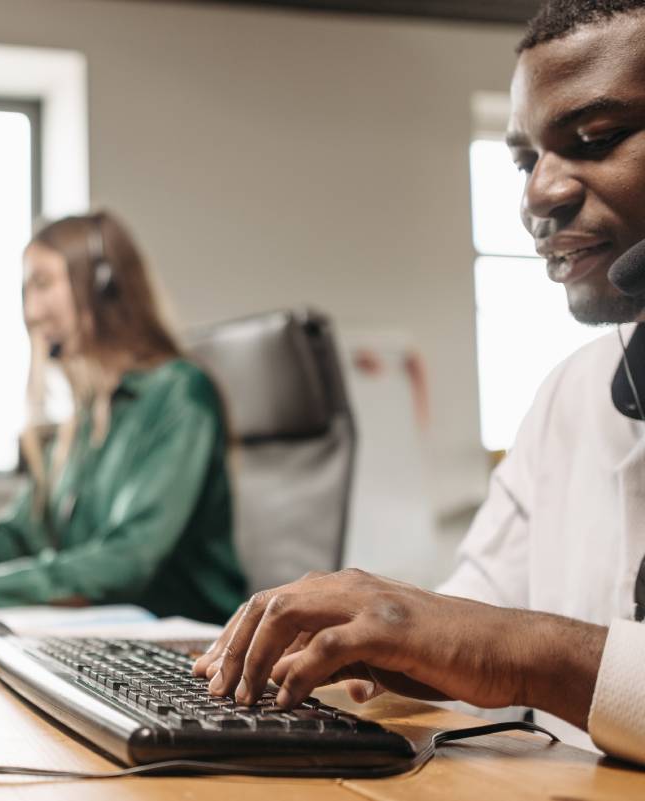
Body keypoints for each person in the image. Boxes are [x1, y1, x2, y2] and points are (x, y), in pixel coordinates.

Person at [194, 0, 645, 764]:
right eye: (524, 160)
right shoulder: (574, 391)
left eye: (594, 139)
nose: (538, 194)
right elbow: (476, 611)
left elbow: (505, 642)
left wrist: (524, 653)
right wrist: (381, 633)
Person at [0, 211, 246, 623]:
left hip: (184, 646)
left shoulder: (179, 393)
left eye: (42, 284)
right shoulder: (85, 414)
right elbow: (20, 535)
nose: (31, 310)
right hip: (106, 633)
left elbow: (127, 560)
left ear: (104, 287)